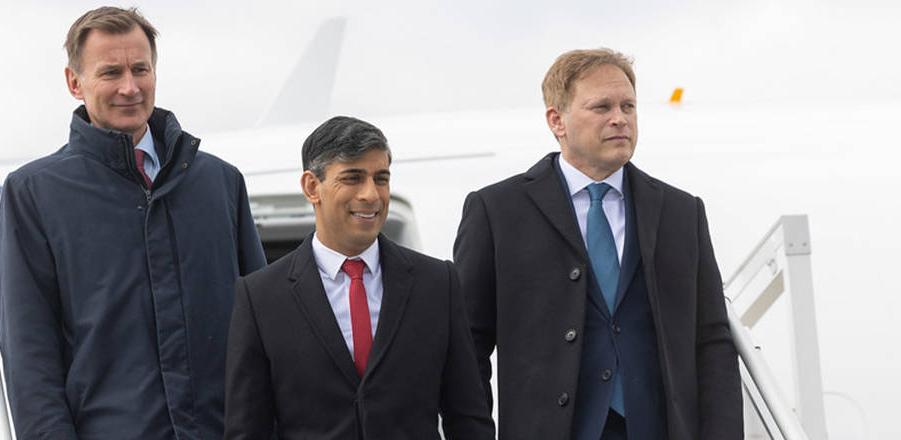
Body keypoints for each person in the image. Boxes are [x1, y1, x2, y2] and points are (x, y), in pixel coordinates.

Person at [0, 7, 266, 439]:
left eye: (141, 69)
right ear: (74, 82)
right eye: (110, 72)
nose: (129, 87)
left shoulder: (219, 183)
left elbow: (262, 330)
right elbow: (30, 359)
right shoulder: (34, 194)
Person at [453, 48, 741, 439]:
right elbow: (468, 348)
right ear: (557, 121)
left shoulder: (681, 212)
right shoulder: (496, 211)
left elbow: (712, 342)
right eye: (601, 107)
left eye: (628, 106)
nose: (620, 119)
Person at [224, 116, 495, 439]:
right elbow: (246, 430)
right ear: (312, 187)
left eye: (381, 179)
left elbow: (468, 418)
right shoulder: (261, 298)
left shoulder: (437, 284)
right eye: (353, 178)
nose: (371, 194)